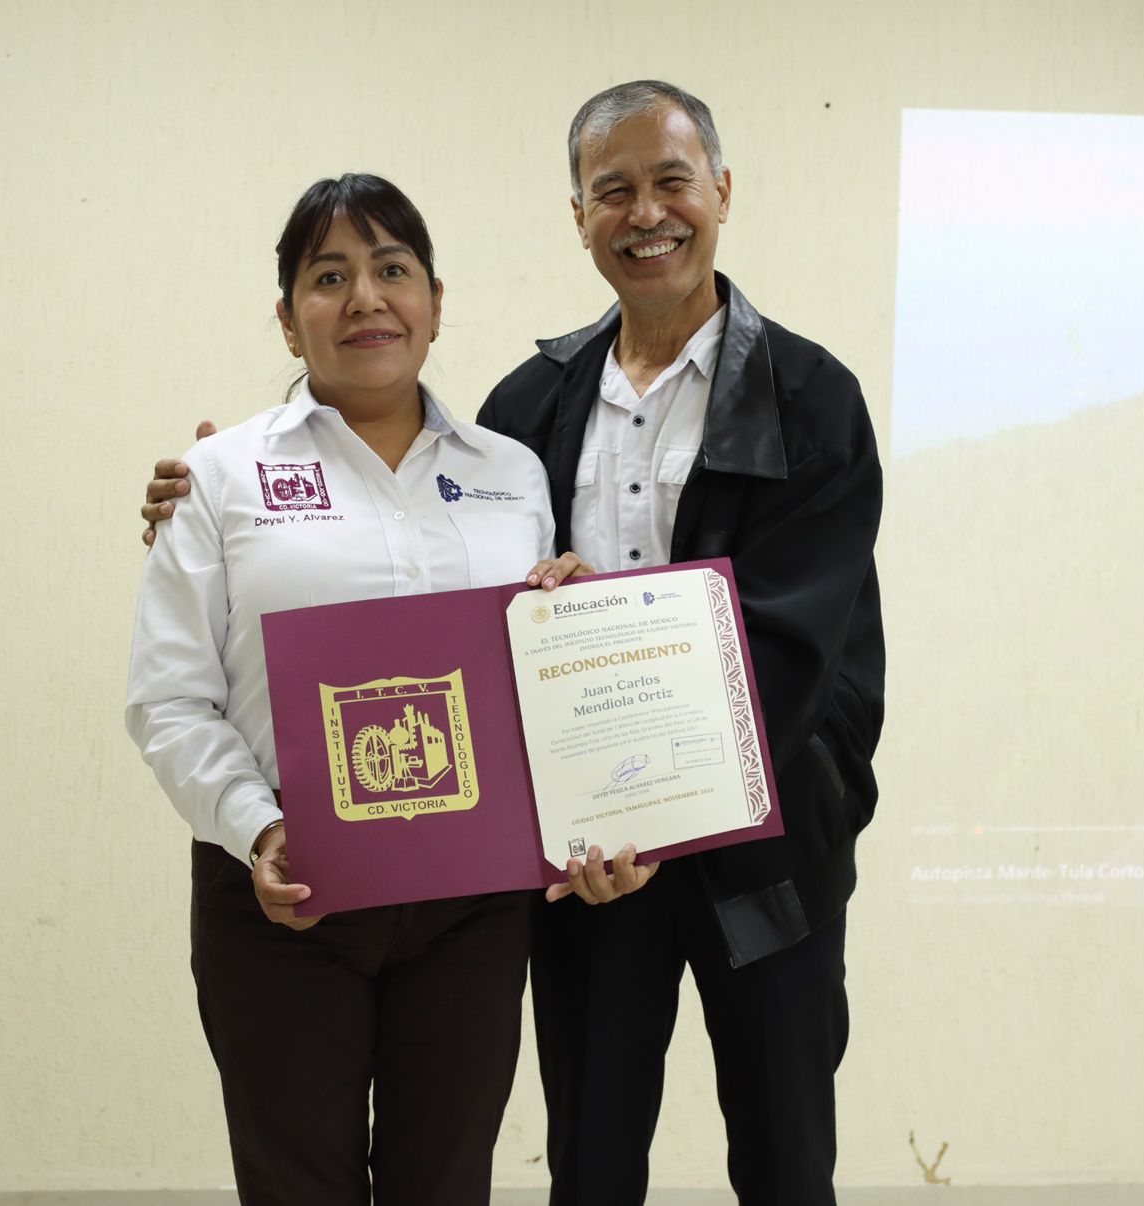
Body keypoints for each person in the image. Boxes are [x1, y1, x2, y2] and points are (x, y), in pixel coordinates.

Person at [142, 82, 884, 1206]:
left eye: (671, 181)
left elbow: (794, 645)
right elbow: (483, 643)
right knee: (587, 1159)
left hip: (758, 853)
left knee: (784, 1155)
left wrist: (640, 797)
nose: (646, 213)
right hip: (573, 880)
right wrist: (203, 491)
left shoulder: (809, 398)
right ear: (577, 216)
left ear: (721, 192)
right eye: (612, 191)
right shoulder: (528, 412)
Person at [125, 172, 652, 1206]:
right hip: (284, 901)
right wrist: (259, 828)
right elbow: (168, 699)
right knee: (297, 1187)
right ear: (287, 321)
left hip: (470, 912)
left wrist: (573, 628)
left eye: (392, 269)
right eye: (329, 276)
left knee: (446, 1183)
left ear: (436, 302)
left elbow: (534, 698)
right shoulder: (220, 478)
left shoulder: (512, 474)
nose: (365, 297)